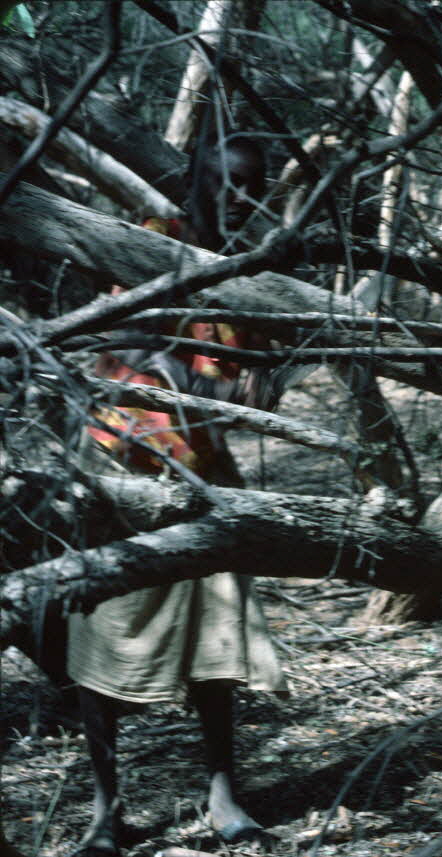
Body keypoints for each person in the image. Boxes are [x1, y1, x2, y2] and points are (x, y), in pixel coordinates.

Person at [69, 135, 285, 857]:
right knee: (106, 642)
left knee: (215, 644)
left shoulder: (254, 265)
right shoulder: (151, 242)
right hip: (127, 468)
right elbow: (127, 354)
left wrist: (256, 380)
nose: (237, 195)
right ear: (193, 181)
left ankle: (224, 795)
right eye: (224, 181)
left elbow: (251, 373)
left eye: (251, 184)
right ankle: (107, 810)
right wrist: (213, 386)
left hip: (206, 476)